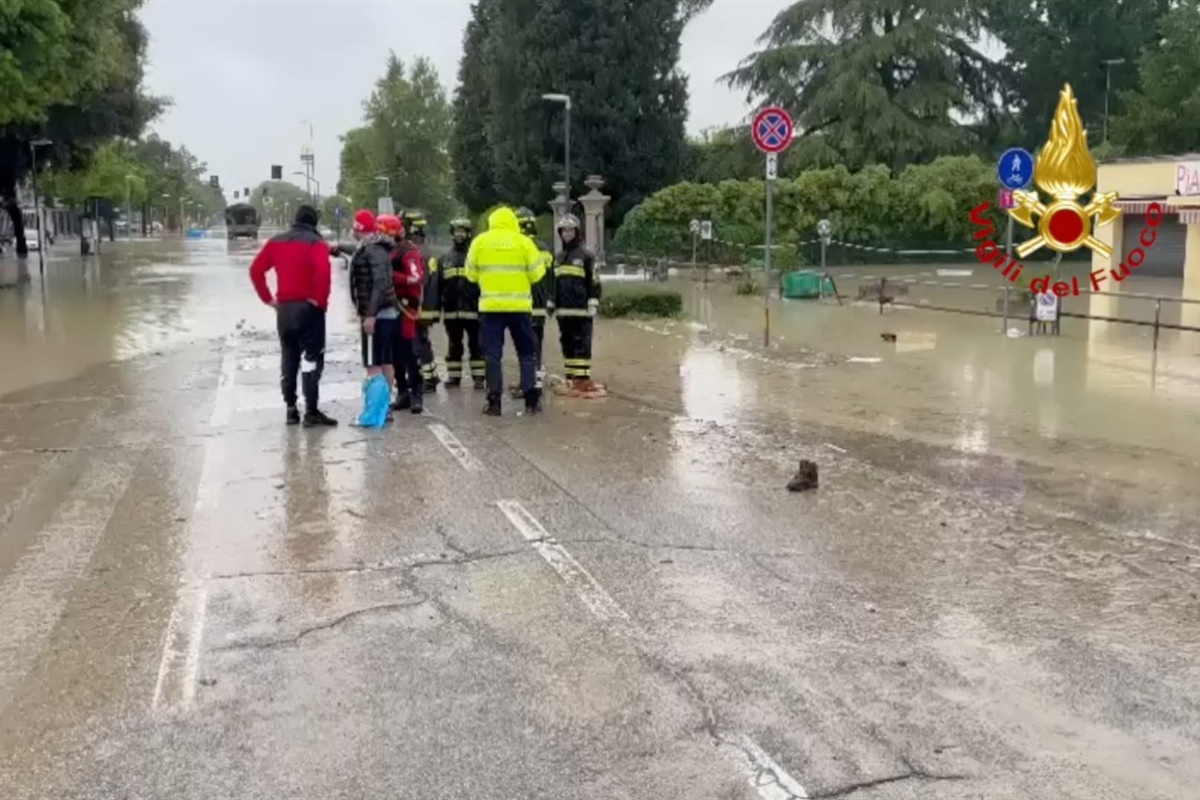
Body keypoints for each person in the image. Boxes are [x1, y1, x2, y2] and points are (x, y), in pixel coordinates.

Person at [249, 205, 336, 427]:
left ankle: (290, 409)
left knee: (289, 357)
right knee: (311, 358)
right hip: (309, 309)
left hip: (285, 310)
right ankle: (311, 411)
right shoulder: (315, 243)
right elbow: (324, 273)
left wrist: (269, 300)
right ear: (314, 223)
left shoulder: (276, 242)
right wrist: (319, 301)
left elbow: (255, 270)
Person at [465, 206, 546, 415]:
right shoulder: (524, 242)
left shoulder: (480, 242)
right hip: (520, 309)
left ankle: (494, 402)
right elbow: (538, 274)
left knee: (493, 356)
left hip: (490, 310)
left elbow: (471, 275)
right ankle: (530, 400)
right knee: (527, 354)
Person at [335, 209, 399, 399]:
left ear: (359, 228)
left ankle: (375, 408)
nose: (352, 232)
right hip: (385, 314)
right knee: (386, 361)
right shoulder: (373, 245)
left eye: (354, 227)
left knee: (374, 364)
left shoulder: (372, 249)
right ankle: (384, 406)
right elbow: (356, 251)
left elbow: (379, 283)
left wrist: (370, 315)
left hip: (376, 316)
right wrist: (337, 248)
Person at [382, 214, 427, 414]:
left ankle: (416, 392)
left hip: (405, 306)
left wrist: (390, 275)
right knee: (393, 354)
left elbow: (415, 278)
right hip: (389, 306)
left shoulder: (408, 252)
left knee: (408, 351)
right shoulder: (384, 250)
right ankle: (402, 391)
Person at [551, 214, 601, 392]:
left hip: (581, 310)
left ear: (577, 231)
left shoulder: (587, 255)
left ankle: (583, 378)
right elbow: (554, 283)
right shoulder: (558, 257)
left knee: (582, 342)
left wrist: (593, 301)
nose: (567, 233)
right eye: (563, 230)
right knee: (566, 343)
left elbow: (593, 280)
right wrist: (551, 302)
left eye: (570, 230)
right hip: (563, 311)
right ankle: (570, 376)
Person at [437, 217, 485, 388]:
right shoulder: (444, 259)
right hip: (451, 311)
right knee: (454, 345)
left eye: (463, 231)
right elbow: (438, 286)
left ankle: (479, 378)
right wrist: (437, 309)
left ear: (469, 234)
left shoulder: (476, 257)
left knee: (477, 345)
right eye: (457, 231)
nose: (460, 235)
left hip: (473, 310)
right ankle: (454, 377)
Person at [516, 207, 553, 390]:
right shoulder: (543, 247)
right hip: (539, 303)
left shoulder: (519, 247)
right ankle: (534, 378)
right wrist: (551, 300)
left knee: (525, 344)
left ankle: (530, 381)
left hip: (523, 303)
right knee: (536, 341)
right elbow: (551, 277)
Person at [403, 211, 440, 392]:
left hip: (418, 304)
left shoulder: (416, 251)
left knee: (417, 342)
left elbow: (423, 282)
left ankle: (427, 380)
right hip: (425, 305)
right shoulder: (424, 249)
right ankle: (431, 376)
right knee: (422, 340)